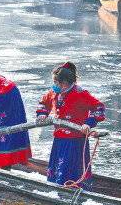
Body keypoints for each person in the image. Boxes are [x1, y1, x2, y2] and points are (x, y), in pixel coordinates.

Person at [36, 62, 105, 190]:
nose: (55, 86)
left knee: (70, 167)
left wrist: (88, 124)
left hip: (75, 140)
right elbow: (43, 103)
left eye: (58, 83)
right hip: (59, 138)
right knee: (57, 167)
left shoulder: (81, 94)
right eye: (55, 83)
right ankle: (55, 187)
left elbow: (99, 108)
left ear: (66, 83)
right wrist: (42, 114)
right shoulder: (53, 93)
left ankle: (71, 189)